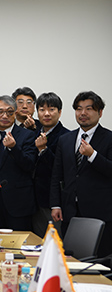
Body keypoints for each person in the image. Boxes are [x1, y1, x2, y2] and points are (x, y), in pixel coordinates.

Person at [51, 91, 112, 257]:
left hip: (100, 212)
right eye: (78, 109)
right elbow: (57, 175)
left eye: (89, 109)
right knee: (71, 258)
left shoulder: (109, 138)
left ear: (100, 112)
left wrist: (93, 155)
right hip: (69, 210)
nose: (83, 113)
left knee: (99, 261)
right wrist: (56, 204)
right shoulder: (66, 139)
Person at [0, 95, 37, 231]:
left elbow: (29, 165)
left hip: (19, 202)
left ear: (15, 113)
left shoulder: (27, 135)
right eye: (0, 112)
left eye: (9, 112)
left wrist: (14, 148)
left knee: (19, 246)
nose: (5, 116)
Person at [32, 92, 68, 237]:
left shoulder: (66, 137)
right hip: (31, 201)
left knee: (53, 245)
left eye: (51, 109)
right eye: (42, 110)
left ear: (59, 112)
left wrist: (44, 149)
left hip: (51, 202)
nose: (46, 114)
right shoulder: (32, 134)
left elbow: (60, 170)